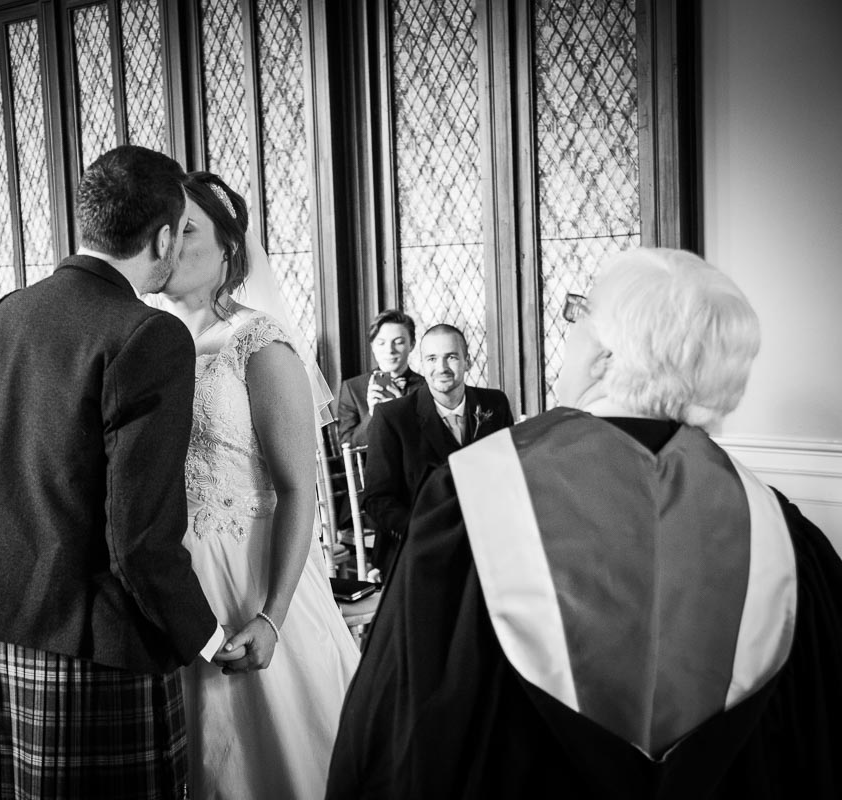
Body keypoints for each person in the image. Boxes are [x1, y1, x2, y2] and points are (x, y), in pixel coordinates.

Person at [326, 248, 842, 799]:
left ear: (605, 355)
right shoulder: (777, 527)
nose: (570, 332)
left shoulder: (475, 492)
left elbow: (404, 727)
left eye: (578, 316)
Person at [0, 145, 239, 800]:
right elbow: (140, 538)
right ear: (163, 238)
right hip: (97, 651)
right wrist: (205, 635)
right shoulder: (148, 334)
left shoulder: (3, 315)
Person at [152, 171, 359, 799]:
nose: (170, 243)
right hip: (168, 578)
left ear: (228, 249)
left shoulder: (258, 344)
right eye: (167, 228)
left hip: (247, 572)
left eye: (189, 230)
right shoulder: (145, 342)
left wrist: (272, 615)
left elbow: (298, 489)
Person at [361, 324, 513, 577]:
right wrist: (425, 534)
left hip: (487, 545)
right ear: (421, 364)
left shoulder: (495, 404)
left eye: (451, 357)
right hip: (418, 551)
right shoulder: (392, 417)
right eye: (432, 359)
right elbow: (377, 500)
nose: (441, 368)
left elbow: (509, 476)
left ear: (467, 361)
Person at [336, 310, 424, 448]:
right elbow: (348, 447)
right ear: (372, 346)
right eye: (381, 343)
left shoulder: (426, 387)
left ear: (412, 345)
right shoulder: (352, 388)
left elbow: (433, 444)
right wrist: (373, 414)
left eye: (398, 342)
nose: (390, 350)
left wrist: (402, 414)